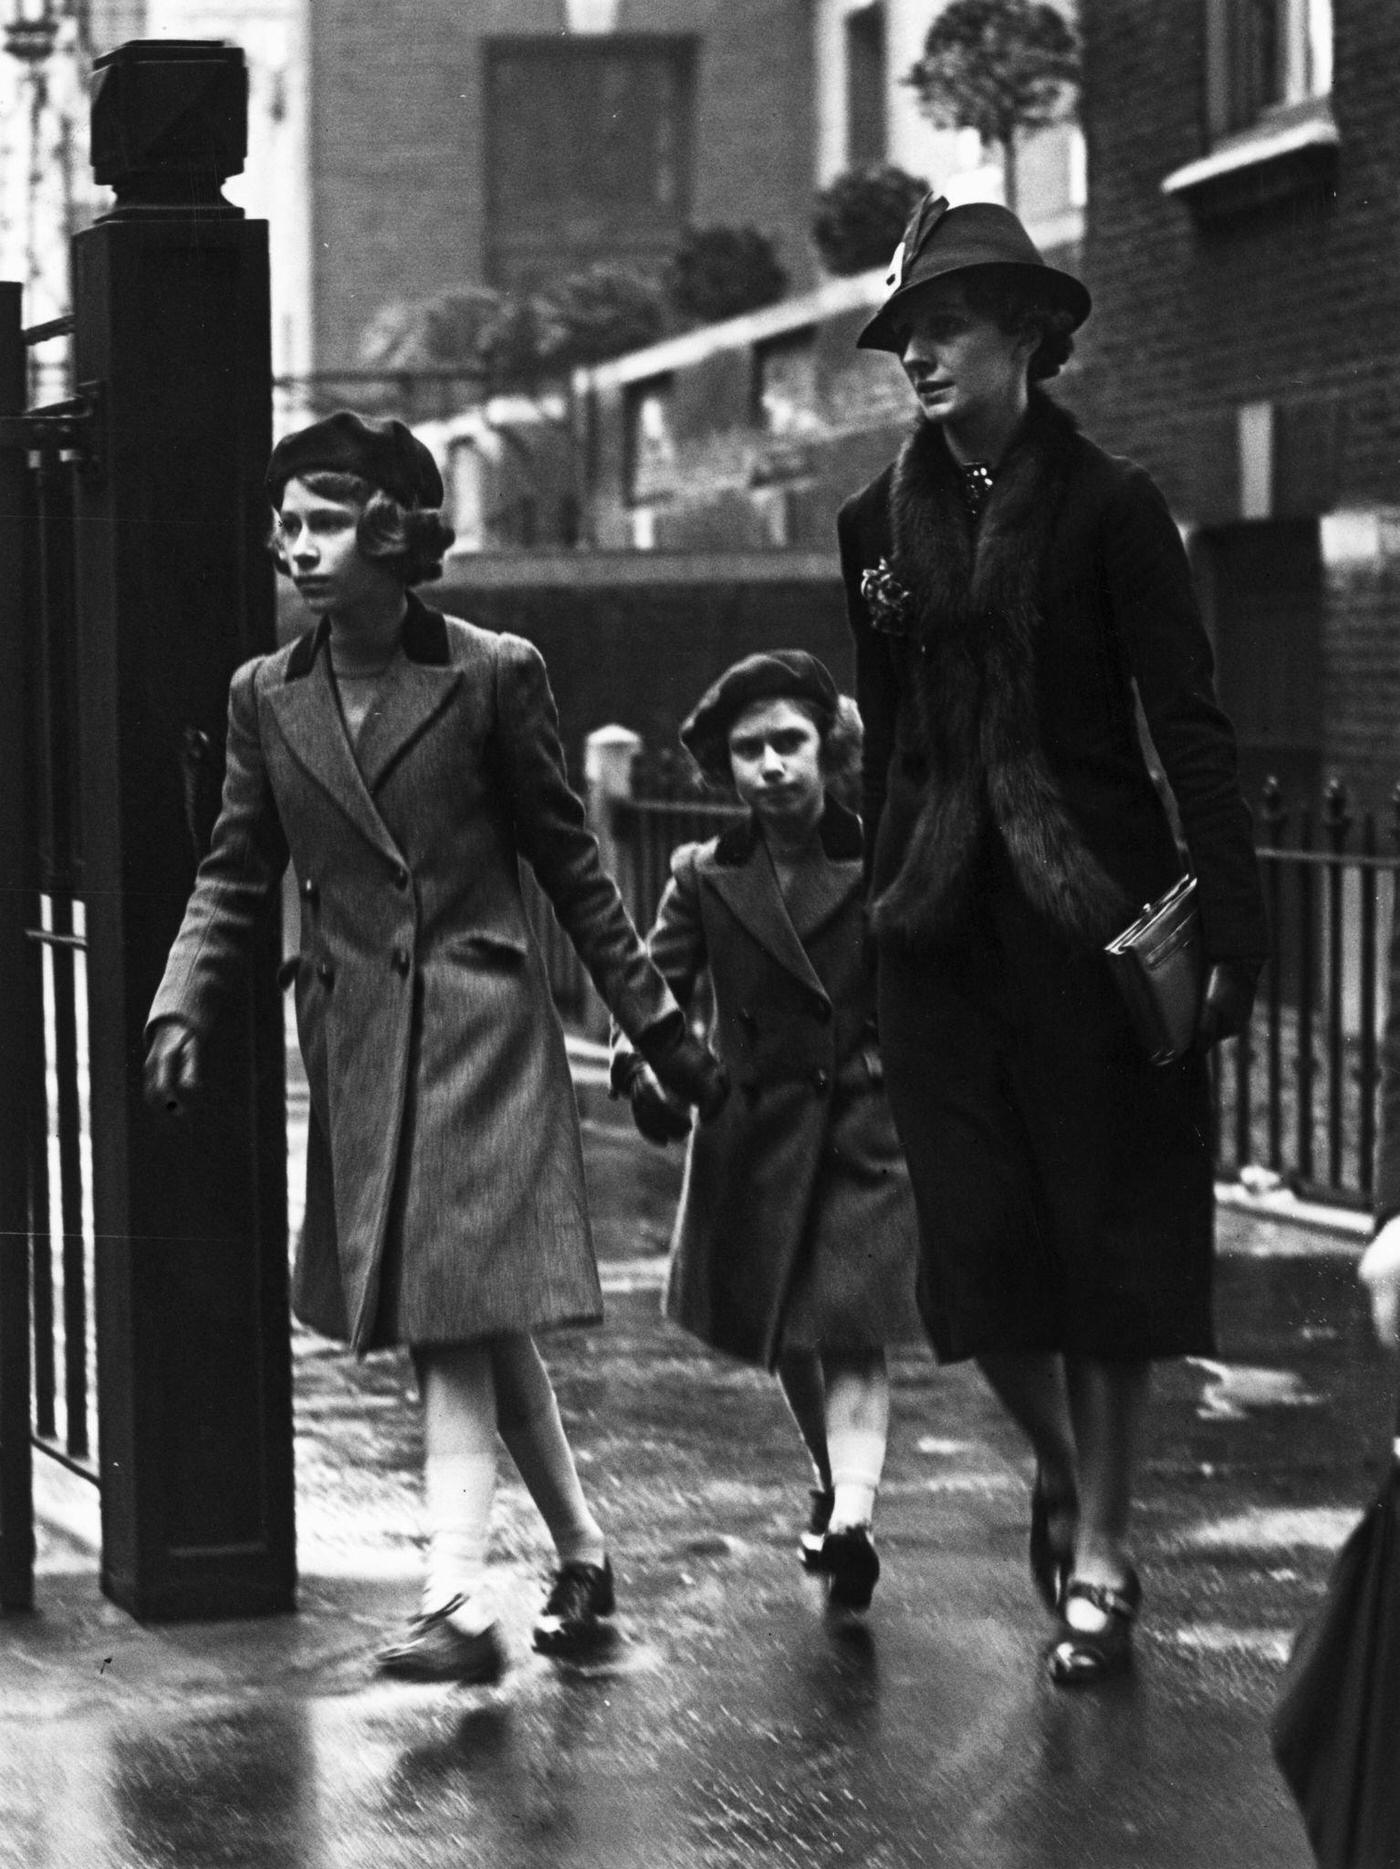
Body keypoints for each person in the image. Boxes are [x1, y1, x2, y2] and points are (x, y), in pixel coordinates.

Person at [143, 411, 725, 1683]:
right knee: (470, 1318)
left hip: (479, 1031)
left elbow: (573, 871)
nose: (298, 548)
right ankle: (582, 1552)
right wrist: (180, 1004)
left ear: (392, 531)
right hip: (358, 1044)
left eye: (325, 522)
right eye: (285, 526)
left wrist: (659, 1029)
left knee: (452, 1318)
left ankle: (456, 1601)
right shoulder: (264, 695)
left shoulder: (491, 674)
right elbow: (235, 870)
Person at [837, 195, 1269, 1683]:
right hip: (936, 939)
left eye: (947, 328)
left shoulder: (1111, 507)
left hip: (1093, 932)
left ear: (1025, 337)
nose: (919, 356)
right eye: (906, 334)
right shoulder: (871, 527)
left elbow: (1189, 726)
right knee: (971, 1260)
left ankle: (1102, 1555)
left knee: (1106, 1249)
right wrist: (869, 933)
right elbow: (888, 747)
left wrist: (1233, 933)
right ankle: (1069, 1473)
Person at [612, 651, 922, 1614]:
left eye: (790, 741)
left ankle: (855, 1519)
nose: (772, 765)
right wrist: (642, 1062)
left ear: (830, 749)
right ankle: (832, 1479)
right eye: (749, 750)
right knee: (784, 1329)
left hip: (862, 1120)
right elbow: (653, 985)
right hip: (750, 1126)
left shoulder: (882, 860)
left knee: (854, 1324)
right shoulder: (703, 875)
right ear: (726, 766)